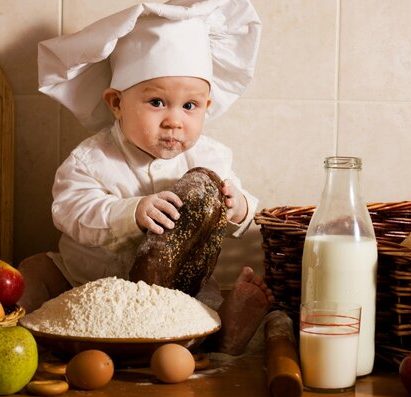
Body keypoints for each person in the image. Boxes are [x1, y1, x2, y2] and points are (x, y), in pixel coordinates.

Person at [18, 0, 273, 355]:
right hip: (86, 285)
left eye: (189, 106)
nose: (174, 120)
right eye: (156, 102)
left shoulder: (211, 157)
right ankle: (20, 337)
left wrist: (239, 207)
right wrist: (130, 213)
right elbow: (70, 211)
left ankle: (225, 335)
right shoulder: (91, 159)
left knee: (202, 307)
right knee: (34, 270)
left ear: (207, 107)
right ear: (116, 103)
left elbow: (234, 219)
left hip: (175, 295)